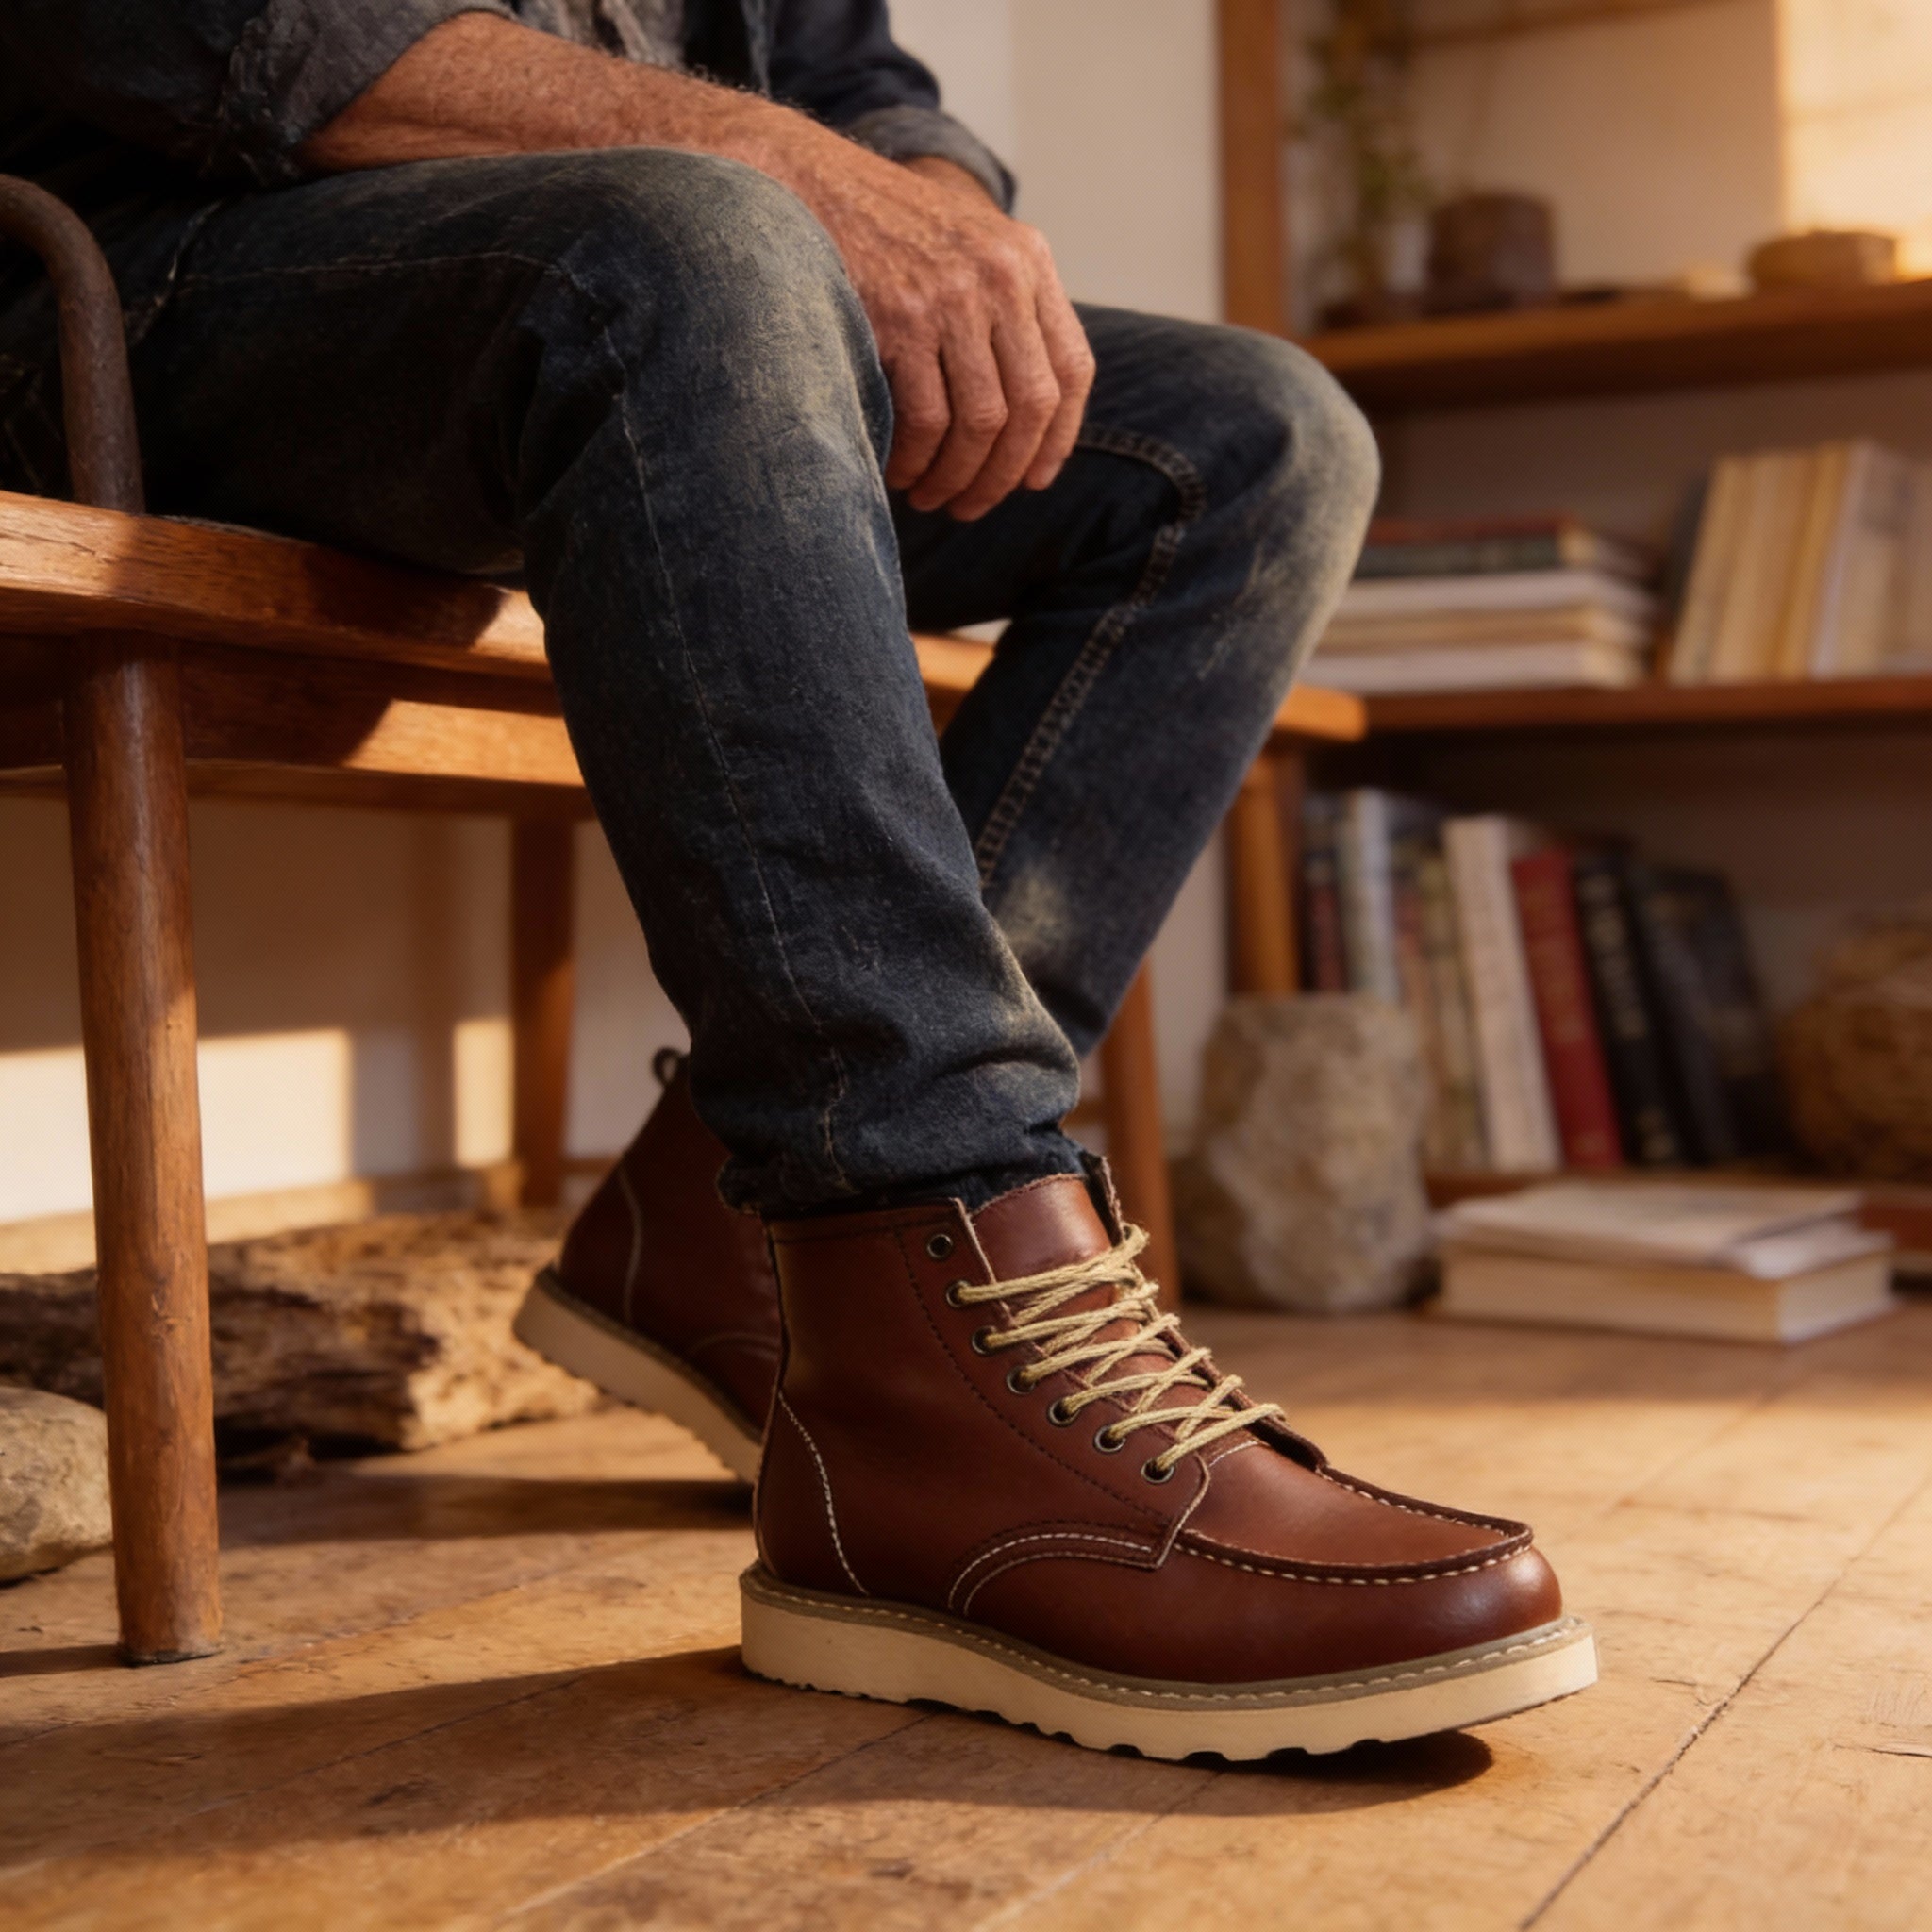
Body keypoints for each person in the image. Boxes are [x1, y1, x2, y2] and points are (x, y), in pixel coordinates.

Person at [0, 1, 1592, 1758]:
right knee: (693, 246)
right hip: (130, 285)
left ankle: (745, 1240)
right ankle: (927, 1302)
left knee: (1255, 436)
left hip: (660, 288)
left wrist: (926, 209)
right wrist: (780, 170)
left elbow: (859, 81)